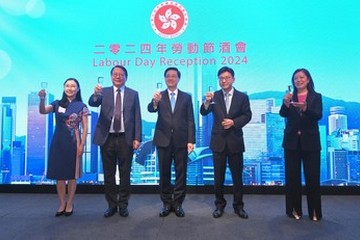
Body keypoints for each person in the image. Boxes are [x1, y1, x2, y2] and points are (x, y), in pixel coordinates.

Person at [88, 65, 142, 218]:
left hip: (126, 139)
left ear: (126, 77)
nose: (118, 77)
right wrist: (95, 94)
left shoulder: (133, 93)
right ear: (111, 76)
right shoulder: (103, 92)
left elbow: (137, 116)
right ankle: (111, 205)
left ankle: (123, 205)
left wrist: (137, 138)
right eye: (115, 74)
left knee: (125, 174)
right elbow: (93, 103)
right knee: (109, 174)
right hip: (107, 139)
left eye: (121, 74)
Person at [200, 66, 252, 219]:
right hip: (219, 142)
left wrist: (234, 122)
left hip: (235, 141)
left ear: (233, 79)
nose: (224, 80)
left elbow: (247, 115)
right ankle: (219, 205)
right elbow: (203, 112)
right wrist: (207, 102)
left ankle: (238, 206)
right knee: (218, 177)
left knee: (237, 177)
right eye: (221, 78)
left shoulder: (242, 97)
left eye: (227, 78)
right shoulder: (213, 96)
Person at [148, 67, 195, 217]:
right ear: (165, 79)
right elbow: (150, 109)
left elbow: (190, 120)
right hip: (163, 140)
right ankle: (166, 203)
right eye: (168, 76)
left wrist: (191, 140)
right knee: (164, 173)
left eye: (173, 76)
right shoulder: (159, 96)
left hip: (181, 141)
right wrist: (155, 102)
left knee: (181, 173)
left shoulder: (186, 97)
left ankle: (178, 203)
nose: (170, 78)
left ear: (178, 79)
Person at [38, 78, 88, 217]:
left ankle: (70, 203)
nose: (70, 88)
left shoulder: (81, 106)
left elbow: (85, 127)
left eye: (73, 86)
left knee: (72, 175)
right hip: (58, 141)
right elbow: (42, 111)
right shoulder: (56, 104)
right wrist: (42, 99)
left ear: (78, 89)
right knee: (59, 176)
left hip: (74, 141)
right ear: (64, 88)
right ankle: (62, 203)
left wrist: (82, 144)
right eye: (67, 86)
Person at [280, 68, 323, 221]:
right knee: (292, 178)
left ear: (308, 79)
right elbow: (282, 114)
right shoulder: (290, 96)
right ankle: (294, 210)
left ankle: (314, 211)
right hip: (291, 142)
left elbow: (318, 115)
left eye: (301, 77)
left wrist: (305, 108)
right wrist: (286, 103)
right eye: (296, 78)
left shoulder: (316, 97)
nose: (298, 80)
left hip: (310, 142)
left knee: (312, 178)